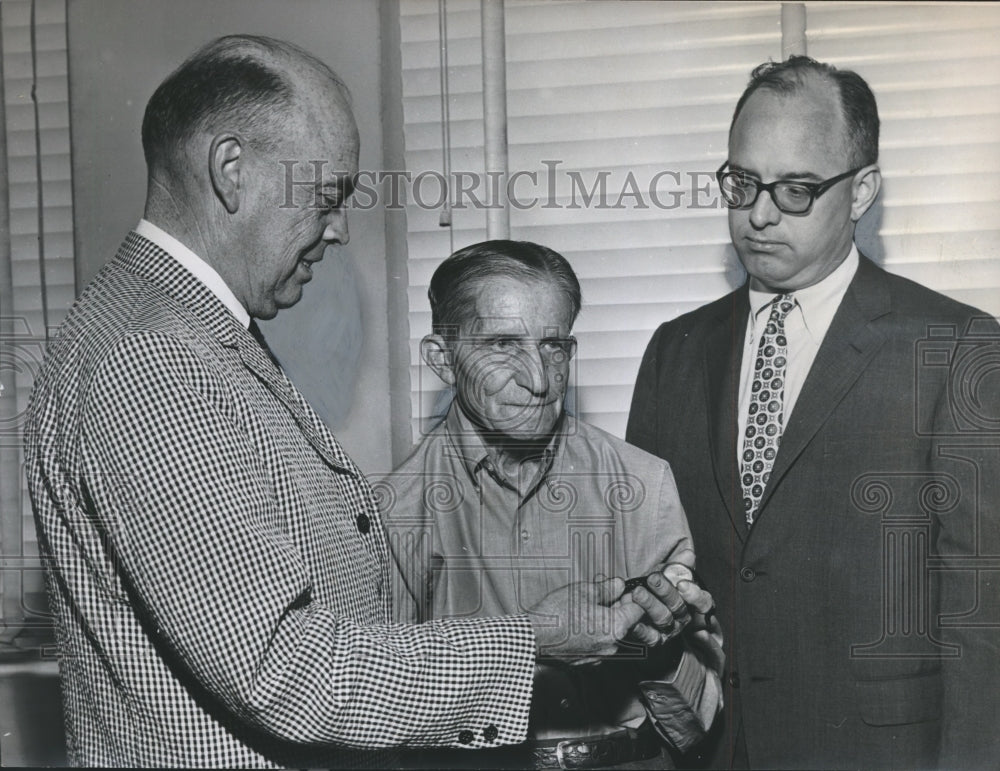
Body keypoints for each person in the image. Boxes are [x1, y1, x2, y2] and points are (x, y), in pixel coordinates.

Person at [23, 35, 658, 768]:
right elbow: (283, 669)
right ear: (233, 171)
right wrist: (533, 640)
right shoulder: (157, 358)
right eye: (327, 197)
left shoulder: (162, 322)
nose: (339, 229)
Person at [627, 55, 1000, 769]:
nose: (760, 213)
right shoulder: (673, 351)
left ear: (861, 191)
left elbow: (984, 618)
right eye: (741, 183)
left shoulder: (956, 348)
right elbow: (651, 573)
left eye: (797, 189)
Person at [378, 240, 724, 770]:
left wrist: (661, 648)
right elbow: (385, 707)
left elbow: (700, 722)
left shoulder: (643, 483)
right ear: (442, 360)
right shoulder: (393, 512)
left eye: (554, 346)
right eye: (502, 344)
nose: (539, 380)